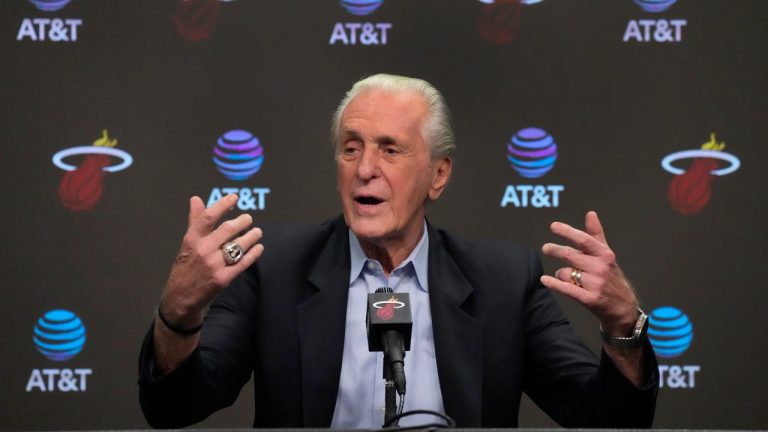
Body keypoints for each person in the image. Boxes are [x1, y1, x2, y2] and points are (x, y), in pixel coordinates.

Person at [138, 74, 658, 428]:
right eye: (351, 147)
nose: (365, 168)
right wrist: (178, 314)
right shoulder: (273, 267)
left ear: (438, 174)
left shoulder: (503, 279)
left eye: (390, 149)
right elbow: (175, 406)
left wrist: (623, 328)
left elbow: (608, 421)